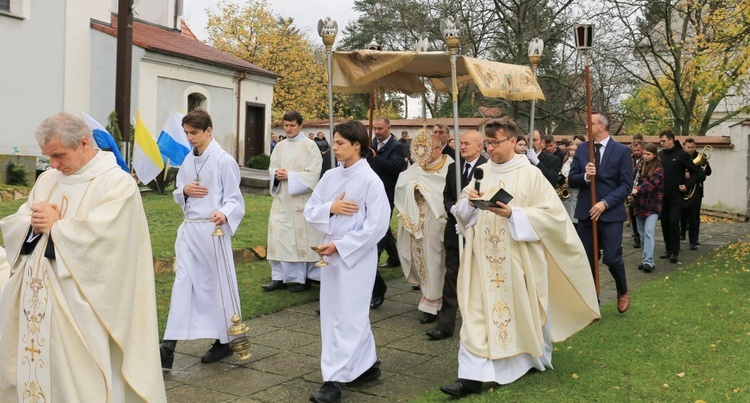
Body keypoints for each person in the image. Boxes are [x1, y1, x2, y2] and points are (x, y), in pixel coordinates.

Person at [0, 112, 166, 401]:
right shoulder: (49, 179)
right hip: (34, 302)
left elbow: (107, 244)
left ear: (84, 143)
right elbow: (22, 219)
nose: (52, 164)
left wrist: (55, 227)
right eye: (48, 156)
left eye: (59, 155)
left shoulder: (117, 184)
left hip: (81, 306)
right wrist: (34, 223)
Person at [440, 117, 600, 397]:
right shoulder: (482, 170)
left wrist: (515, 214)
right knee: (475, 315)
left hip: (516, 260)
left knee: (516, 316)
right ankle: (470, 377)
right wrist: (469, 203)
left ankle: (521, 360)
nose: (490, 148)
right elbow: (461, 214)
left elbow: (553, 218)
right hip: (482, 260)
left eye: (495, 142)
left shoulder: (530, 174)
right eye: (487, 143)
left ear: (513, 142)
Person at [304, 120, 391, 403]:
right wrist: (332, 207)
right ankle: (368, 365)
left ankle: (335, 380)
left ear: (357, 145)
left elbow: (377, 226)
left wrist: (340, 246)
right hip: (330, 257)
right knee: (335, 315)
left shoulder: (370, 181)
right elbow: (310, 209)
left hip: (355, 258)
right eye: (334, 142)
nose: (335, 148)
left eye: (341, 143)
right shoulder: (330, 177)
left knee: (348, 317)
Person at [160, 108, 246, 370]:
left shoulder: (223, 161)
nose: (190, 138)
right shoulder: (188, 160)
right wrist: (184, 190)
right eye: (186, 133)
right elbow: (179, 190)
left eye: (194, 133)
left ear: (209, 131)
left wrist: (223, 213)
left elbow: (234, 199)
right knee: (183, 283)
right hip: (189, 231)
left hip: (213, 231)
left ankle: (228, 339)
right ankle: (168, 346)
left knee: (218, 285)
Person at [568, 111, 634, 313]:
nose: (587, 127)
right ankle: (592, 299)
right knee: (587, 259)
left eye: (591, 123)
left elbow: (626, 185)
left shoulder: (621, 151)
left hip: (610, 213)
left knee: (612, 258)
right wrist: (586, 177)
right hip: (586, 212)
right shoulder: (582, 150)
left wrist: (605, 203)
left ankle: (622, 290)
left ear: (602, 126)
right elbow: (572, 179)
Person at [426, 130, 486, 340]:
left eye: (467, 143)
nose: (462, 147)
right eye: (461, 143)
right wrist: (453, 210)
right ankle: (445, 325)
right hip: (455, 230)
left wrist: (469, 218)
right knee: (452, 277)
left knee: (479, 279)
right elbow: (447, 195)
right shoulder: (454, 167)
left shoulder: (488, 169)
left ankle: (480, 326)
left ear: (480, 146)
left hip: (478, 233)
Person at [395, 130, 453, 324]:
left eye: (427, 150)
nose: (423, 156)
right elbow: (402, 183)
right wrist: (413, 187)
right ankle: (428, 296)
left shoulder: (450, 166)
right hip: (416, 221)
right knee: (421, 260)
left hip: (437, 222)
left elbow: (446, 191)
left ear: (438, 148)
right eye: (419, 151)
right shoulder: (417, 167)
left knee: (435, 261)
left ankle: (433, 303)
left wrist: (425, 189)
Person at [263, 111, 323, 292]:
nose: (288, 129)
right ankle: (279, 277)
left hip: (300, 201)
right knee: (278, 238)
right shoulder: (279, 146)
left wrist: (290, 175)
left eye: (292, 125)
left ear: (300, 125)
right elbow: (272, 167)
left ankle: (302, 279)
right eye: (286, 125)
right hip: (281, 200)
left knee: (298, 240)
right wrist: (277, 175)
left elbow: (314, 173)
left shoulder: (310, 146)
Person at [368, 116, 408, 309]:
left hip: (387, 194)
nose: (377, 131)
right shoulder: (371, 144)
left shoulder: (397, 147)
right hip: (369, 194)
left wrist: (377, 158)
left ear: (389, 128)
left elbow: (395, 168)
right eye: (375, 128)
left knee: (378, 235)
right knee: (383, 230)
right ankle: (395, 257)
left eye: (380, 128)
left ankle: (375, 281)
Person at [657, 130, 703, 262]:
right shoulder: (660, 155)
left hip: (677, 196)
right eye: (660, 141)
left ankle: (675, 251)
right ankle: (669, 248)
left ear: (671, 140)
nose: (661, 143)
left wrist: (687, 185)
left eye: (663, 141)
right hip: (663, 196)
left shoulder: (681, 154)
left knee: (673, 221)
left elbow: (697, 173)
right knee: (665, 223)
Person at [629, 143, 664, 273]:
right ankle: (646, 260)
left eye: (648, 154)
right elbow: (631, 178)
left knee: (649, 232)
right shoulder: (639, 166)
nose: (645, 156)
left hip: (653, 204)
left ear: (654, 155)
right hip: (640, 204)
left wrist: (636, 189)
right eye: (644, 154)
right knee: (642, 233)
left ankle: (648, 261)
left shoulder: (658, 168)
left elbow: (651, 184)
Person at [680, 137, 711, 250]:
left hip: (696, 190)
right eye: (688, 147)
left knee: (694, 216)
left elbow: (707, 173)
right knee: (682, 214)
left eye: (693, 147)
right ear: (684, 147)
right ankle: (682, 233)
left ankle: (694, 240)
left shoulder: (699, 156)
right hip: (683, 188)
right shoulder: (681, 156)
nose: (691, 149)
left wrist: (705, 162)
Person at [629, 140, 645, 248]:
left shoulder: (645, 160)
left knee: (640, 215)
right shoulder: (630, 159)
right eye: (634, 150)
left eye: (638, 150)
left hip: (641, 190)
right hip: (631, 189)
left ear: (643, 149)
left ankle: (641, 236)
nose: (636, 152)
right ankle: (636, 236)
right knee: (632, 213)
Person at [560, 142, 579, 226]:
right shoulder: (566, 160)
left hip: (575, 193)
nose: (572, 152)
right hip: (566, 192)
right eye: (571, 150)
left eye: (574, 150)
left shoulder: (579, 162)